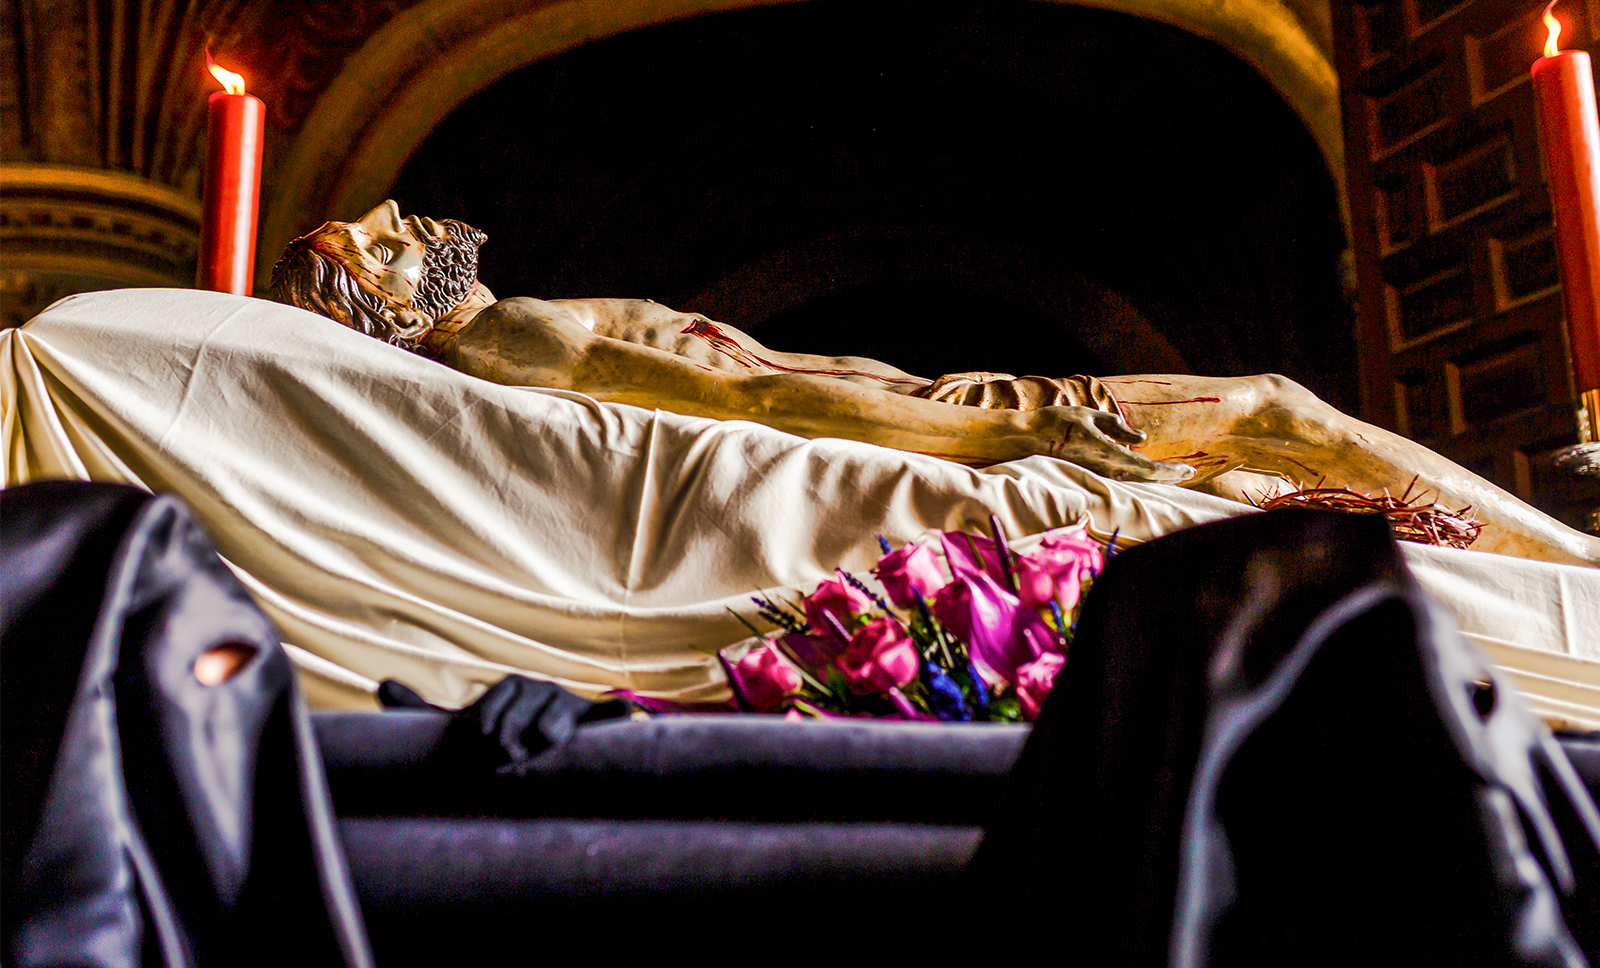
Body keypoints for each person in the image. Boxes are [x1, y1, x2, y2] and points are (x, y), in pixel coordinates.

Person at [267, 200, 1600, 566]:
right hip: (955, 416)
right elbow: (765, 403)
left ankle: (1558, 568)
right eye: (378, 243)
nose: (401, 216)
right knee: (1268, 414)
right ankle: (1577, 570)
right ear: (383, 307)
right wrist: (1011, 443)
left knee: (1271, 449)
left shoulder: (523, 332)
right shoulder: (516, 339)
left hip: (944, 400)